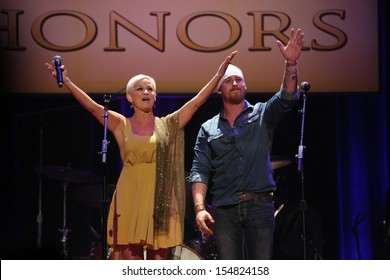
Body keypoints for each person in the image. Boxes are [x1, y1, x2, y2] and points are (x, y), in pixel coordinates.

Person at [45, 51, 237, 260]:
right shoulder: (121, 124)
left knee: (158, 262)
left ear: (155, 96)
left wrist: (218, 75)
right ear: (129, 96)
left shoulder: (167, 124)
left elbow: (197, 102)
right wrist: (68, 81)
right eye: (140, 89)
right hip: (130, 195)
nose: (145, 92)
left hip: (160, 198)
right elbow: (92, 107)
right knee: (130, 261)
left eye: (150, 89)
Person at [189, 27, 304, 260]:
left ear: (245, 86)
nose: (234, 83)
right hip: (224, 210)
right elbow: (199, 171)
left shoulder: (262, 114)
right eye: (228, 80)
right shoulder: (207, 128)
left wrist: (291, 64)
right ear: (220, 89)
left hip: (259, 208)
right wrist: (200, 209)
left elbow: (287, 96)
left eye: (239, 79)